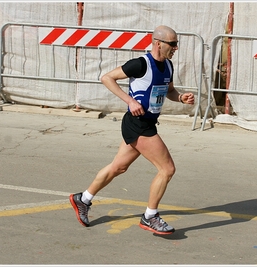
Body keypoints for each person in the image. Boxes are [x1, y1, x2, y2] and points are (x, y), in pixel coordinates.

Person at [69, 25, 194, 235]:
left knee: (118, 167)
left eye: (176, 44)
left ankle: (83, 199)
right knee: (167, 169)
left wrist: (180, 97)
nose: (176, 48)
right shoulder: (140, 64)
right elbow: (107, 78)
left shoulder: (168, 66)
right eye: (172, 44)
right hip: (138, 124)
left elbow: (170, 91)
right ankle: (150, 217)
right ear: (158, 43)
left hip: (146, 123)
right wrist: (130, 101)